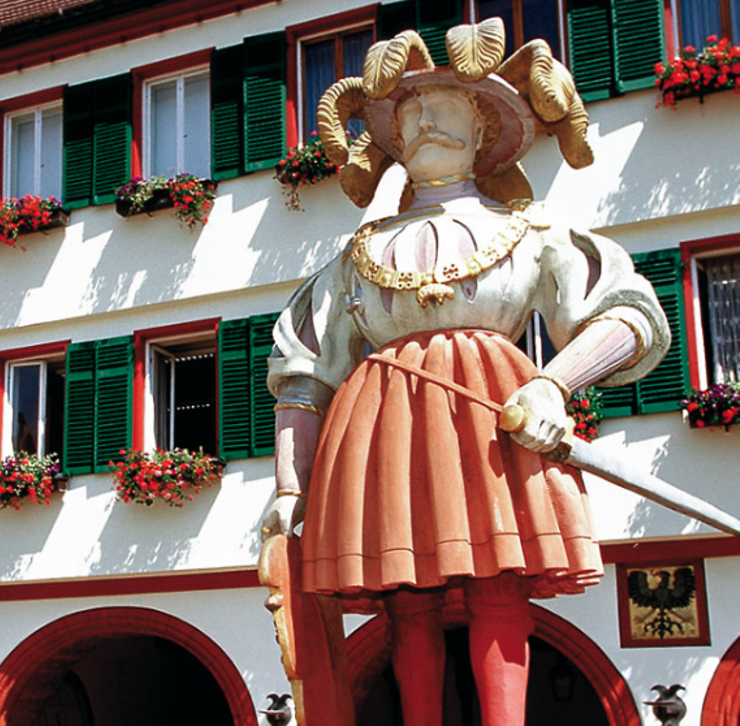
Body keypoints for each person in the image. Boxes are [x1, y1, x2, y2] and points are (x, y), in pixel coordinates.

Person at [260, 19, 670, 726]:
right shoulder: (353, 256)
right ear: (387, 139)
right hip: (380, 427)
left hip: (493, 411)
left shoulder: (532, 229)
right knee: (405, 600)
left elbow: (628, 314)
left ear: (484, 129)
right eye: (407, 111)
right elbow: (304, 374)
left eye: (444, 104)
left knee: (499, 583)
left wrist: (553, 381)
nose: (422, 117)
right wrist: (290, 489)